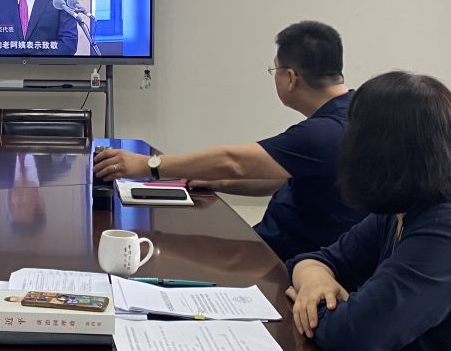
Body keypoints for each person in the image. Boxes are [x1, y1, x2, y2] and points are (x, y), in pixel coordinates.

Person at [93, 21, 366, 261]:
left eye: (274, 70)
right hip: (281, 248)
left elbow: (233, 161)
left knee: (172, 251)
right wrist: (220, 183)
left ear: (290, 78)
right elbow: (281, 176)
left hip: (289, 264)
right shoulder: (355, 113)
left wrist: (148, 165)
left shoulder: (324, 132)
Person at [286, 71, 451, 350]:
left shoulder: (442, 229)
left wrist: (315, 305)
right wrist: (315, 283)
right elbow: (314, 260)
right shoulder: (398, 209)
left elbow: (353, 336)